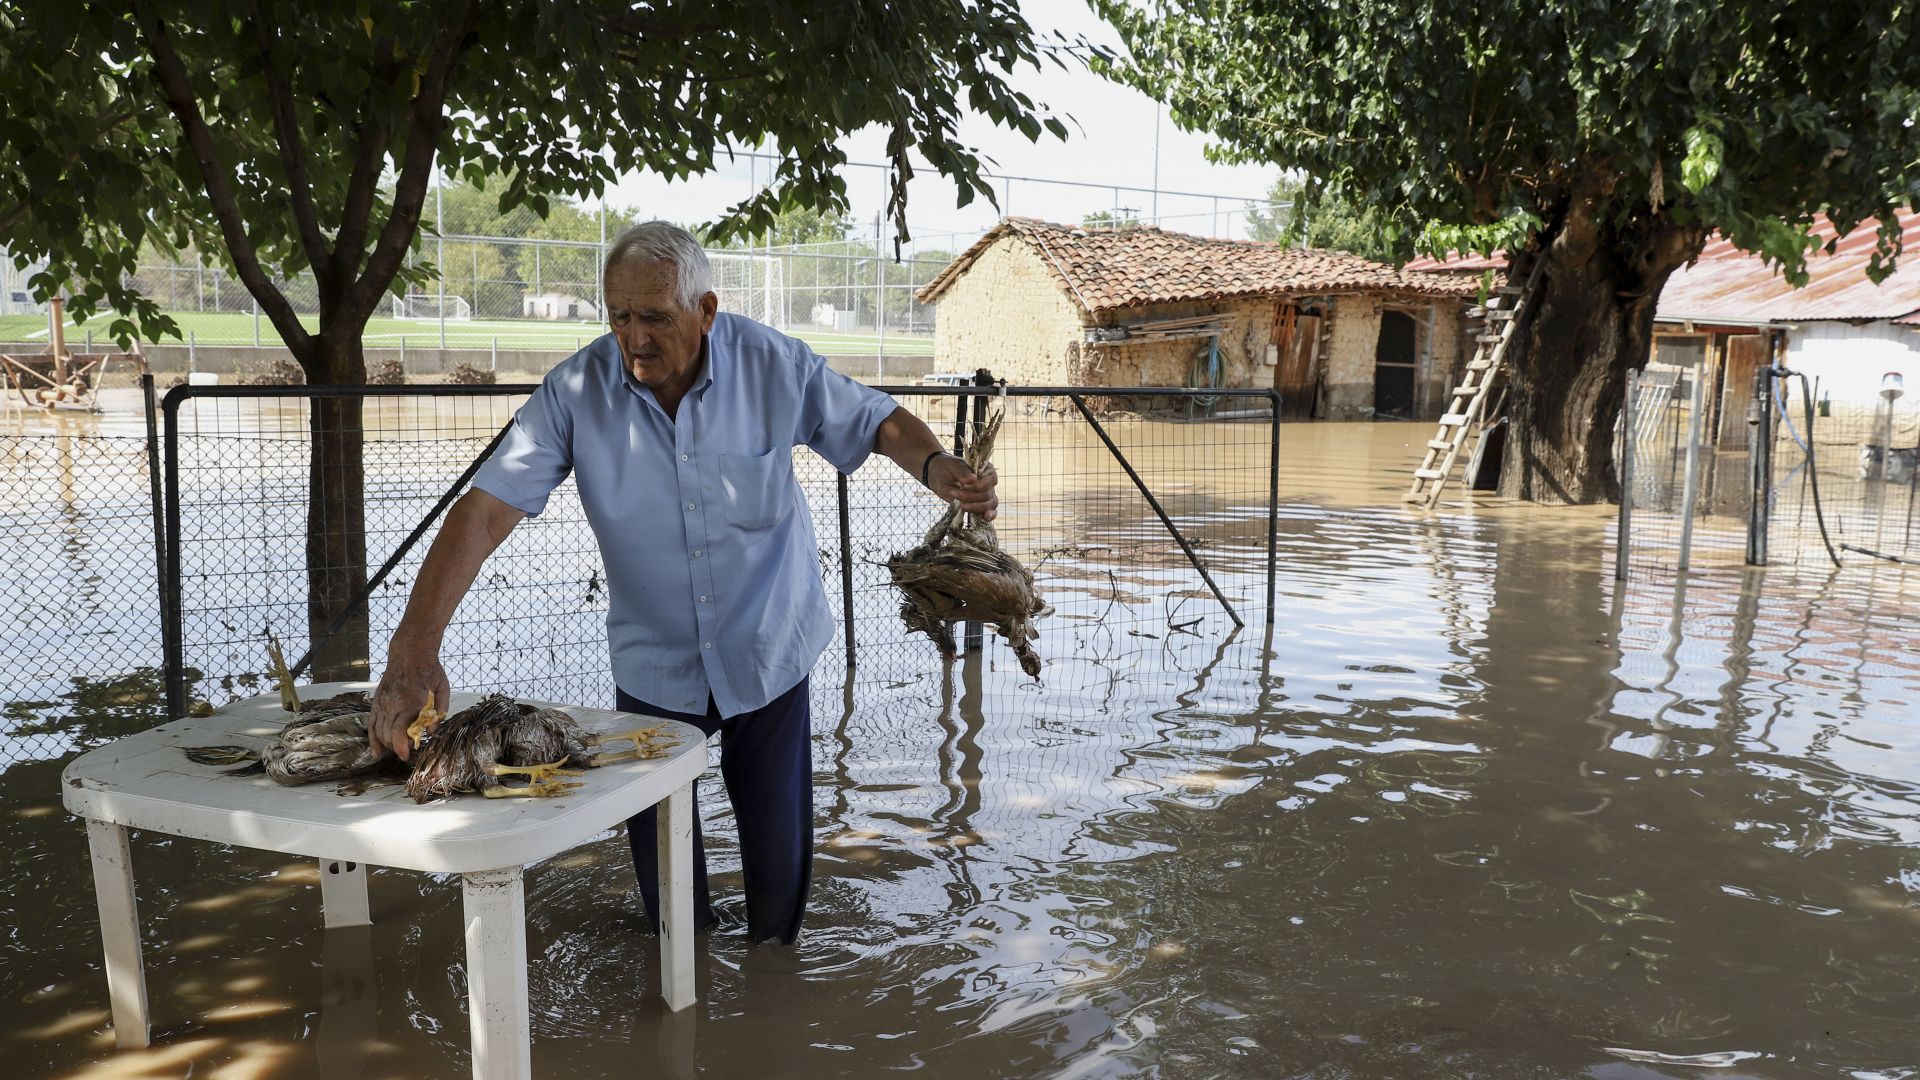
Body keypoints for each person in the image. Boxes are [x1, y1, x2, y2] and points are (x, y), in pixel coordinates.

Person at [368, 221, 997, 944]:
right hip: (655, 666)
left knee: (779, 863)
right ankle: (685, 986)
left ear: (706, 311)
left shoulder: (771, 364)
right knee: (666, 884)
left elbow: (876, 420)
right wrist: (413, 653)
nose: (634, 338)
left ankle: (772, 985)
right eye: (619, 316)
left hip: (770, 650)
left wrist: (933, 464)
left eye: (656, 317)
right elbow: (482, 517)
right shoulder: (575, 392)